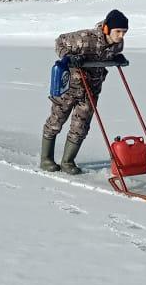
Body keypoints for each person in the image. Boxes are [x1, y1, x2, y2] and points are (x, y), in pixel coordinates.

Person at [40, 9, 128, 174]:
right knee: (56, 121)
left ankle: (67, 162)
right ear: (107, 29)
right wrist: (68, 57)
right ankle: (46, 159)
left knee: (80, 127)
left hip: (91, 90)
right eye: (118, 32)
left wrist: (117, 58)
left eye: (124, 32)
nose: (121, 36)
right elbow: (60, 41)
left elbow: (112, 54)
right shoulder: (84, 38)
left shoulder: (118, 44)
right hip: (69, 87)